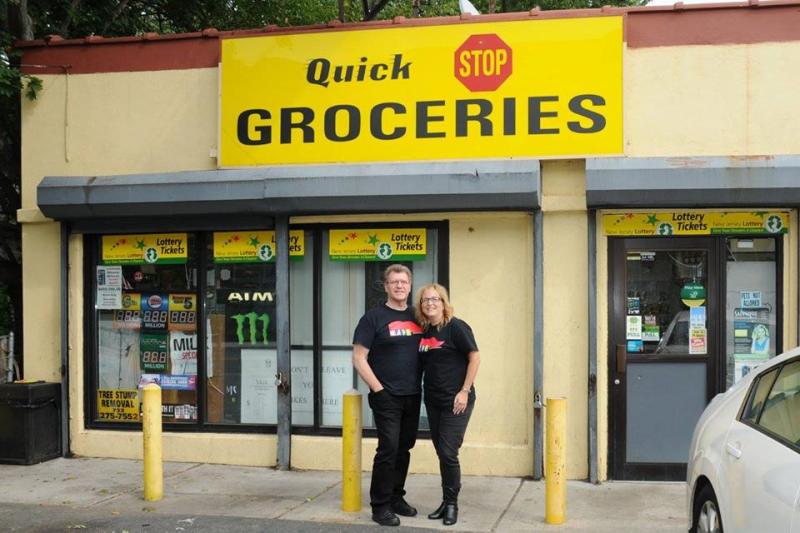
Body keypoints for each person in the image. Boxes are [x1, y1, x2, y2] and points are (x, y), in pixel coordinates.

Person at [352, 264, 423, 527]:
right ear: (386, 286)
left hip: (413, 394)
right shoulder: (373, 318)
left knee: (404, 449)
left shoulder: (418, 316)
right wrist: (378, 389)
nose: (399, 286)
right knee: (388, 449)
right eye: (394, 282)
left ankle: (396, 497)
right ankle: (380, 506)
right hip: (386, 396)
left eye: (404, 282)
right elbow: (359, 357)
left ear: (410, 286)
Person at [415, 283, 480, 526]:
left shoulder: (456, 327)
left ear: (443, 303)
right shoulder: (425, 332)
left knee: (448, 452)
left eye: (435, 299)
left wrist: (464, 390)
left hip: (456, 400)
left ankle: (452, 504)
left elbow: (475, 357)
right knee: (441, 452)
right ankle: (445, 501)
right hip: (433, 401)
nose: (430, 303)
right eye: (425, 300)